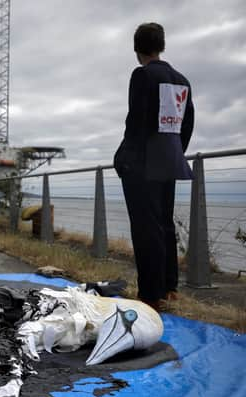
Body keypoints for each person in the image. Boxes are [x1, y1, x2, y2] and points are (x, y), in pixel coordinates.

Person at [114, 23, 195, 310]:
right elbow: (187, 124)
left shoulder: (142, 75)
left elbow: (135, 122)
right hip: (168, 160)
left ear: (137, 49)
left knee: (145, 228)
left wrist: (122, 158)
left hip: (142, 164)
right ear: (161, 45)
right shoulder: (182, 80)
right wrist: (175, 151)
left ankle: (150, 295)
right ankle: (169, 287)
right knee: (164, 224)